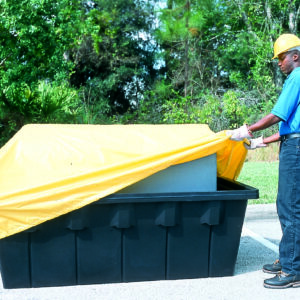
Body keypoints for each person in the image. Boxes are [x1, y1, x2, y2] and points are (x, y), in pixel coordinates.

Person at [228, 33, 300, 289]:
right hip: (292, 142)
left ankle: (293, 270)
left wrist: (249, 130)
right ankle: (290, 259)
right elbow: (289, 124)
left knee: (290, 207)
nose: (279, 63)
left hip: (296, 147)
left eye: (281, 57)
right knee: (287, 204)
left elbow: (277, 116)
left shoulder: (297, 77)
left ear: (295, 56)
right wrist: (262, 142)